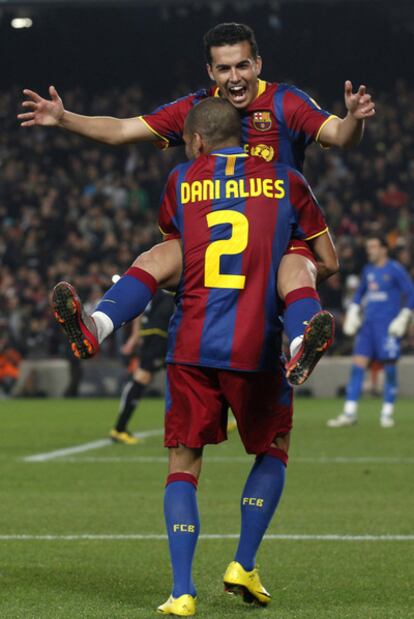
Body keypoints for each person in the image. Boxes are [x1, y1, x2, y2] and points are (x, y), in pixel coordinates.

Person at [58, 98, 335, 616]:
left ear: (197, 141)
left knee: (184, 463)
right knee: (273, 442)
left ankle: (181, 591)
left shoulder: (182, 179)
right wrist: (283, 259)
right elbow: (331, 259)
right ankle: (243, 563)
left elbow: (180, 256)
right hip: (255, 342)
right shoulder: (285, 180)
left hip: (191, 343)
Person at [20, 22, 373, 383]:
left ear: (258, 64)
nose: (234, 77)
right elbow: (123, 131)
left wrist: (353, 120)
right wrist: (64, 118)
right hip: (215, 236)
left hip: (275, 236)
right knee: (154, 258)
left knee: (300, 269)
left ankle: (301, 346)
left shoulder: (287, 102)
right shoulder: (197, 109)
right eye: (224, 68)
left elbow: (339, 136)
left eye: (242, 66)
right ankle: (97, 326)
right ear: (210, 71)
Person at [327, 236, 414, 429]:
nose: (370, 251)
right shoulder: (368, 270)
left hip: (388, 328)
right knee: (357, 366)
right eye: (368, 247)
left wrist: (404, 316)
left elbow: (411, 293)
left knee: (389, 370)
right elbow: (360, 294)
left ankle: (387, 413)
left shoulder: (395, 269)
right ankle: (349, 412)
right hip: (368, 327)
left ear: (384, 249)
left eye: (373, 247)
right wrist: (353, 310)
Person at [110, 289, 175, 444]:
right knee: (142, 377)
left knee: (184, 376)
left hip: (163, 334)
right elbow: (140, 305)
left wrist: (136, 335)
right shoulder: (167, 277)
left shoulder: (160, 281)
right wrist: (135, 336)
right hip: (157, 334)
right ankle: (119, 428)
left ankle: (211, 421)